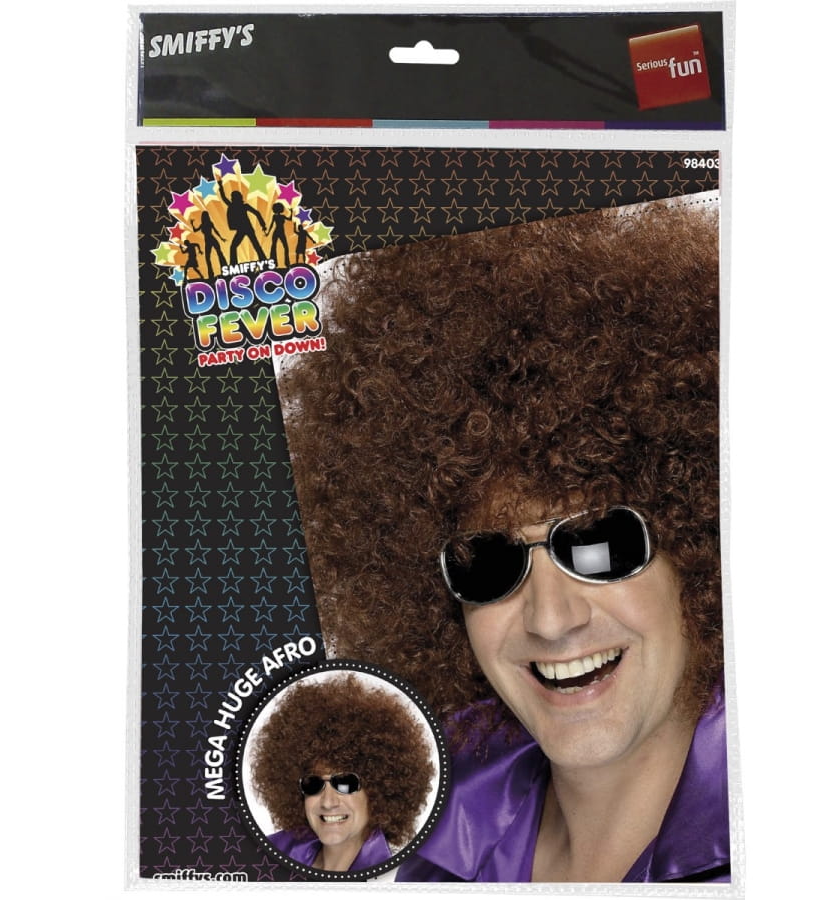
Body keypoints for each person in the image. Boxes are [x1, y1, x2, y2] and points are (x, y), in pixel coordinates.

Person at [277, 198, 727, 882]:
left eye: (599, 544)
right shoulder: (437, 848)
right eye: (489, 562)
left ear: (702, 555)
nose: (551, 618)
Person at [249, 673, 435, 874]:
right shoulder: (271, 854)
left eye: (345, 783)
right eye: (314, 784)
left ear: (378, 793)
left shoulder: (394, 881)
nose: (328, 802)